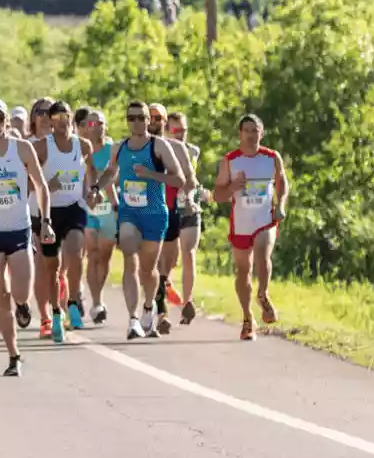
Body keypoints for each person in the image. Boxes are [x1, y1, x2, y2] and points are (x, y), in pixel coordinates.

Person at [94, 100, 196, 340]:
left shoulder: (159, 146)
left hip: (155, 214)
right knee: (129, 256)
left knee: (148, 269)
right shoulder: (119, 148)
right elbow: (110, 171)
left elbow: (179, 180)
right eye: (132, 118)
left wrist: (150, 174)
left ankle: (149, 306)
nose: (137, 122)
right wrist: (96, 188)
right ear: (127, 121)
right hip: (129, 212)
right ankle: (132, 319)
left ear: (148, 121)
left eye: (141, 118)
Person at [0, 99, 50, 377]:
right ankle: (14, 355)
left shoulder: (22, 149)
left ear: (6, 120)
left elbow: (41, 186)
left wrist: (46, 221)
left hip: (18, 228)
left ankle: (23, 305)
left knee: (20, 292)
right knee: (0, 297)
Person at [212, 114, 289, 340]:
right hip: (241, 223)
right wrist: (233, 186)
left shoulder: (271, 157)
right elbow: (218, 195)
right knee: (243, 270)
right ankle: (247, 318)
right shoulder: (230, 160)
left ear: (261, 133)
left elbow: (282, 182)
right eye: (246, 130)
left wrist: (281, 204)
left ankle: (263, 294)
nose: (250, 135)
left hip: (265, 218)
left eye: (255, 130)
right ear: (240, 134)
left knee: (262, 252)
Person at [34, 100, 90, 340]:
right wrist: (48, 186)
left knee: (76, 251)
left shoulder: (83, 145)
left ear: (71, 117)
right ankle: (56, 313)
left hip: (74, 208)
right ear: (50, 121)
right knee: (52, 267)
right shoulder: (41, 147)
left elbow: (91, 172)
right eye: (56, 118)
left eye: (65, 117)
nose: (61, 122)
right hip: (49, 213)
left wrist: (92, 191)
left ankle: (74, 302)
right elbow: (28, 182)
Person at [158, 109, 205, 330]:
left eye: (184, 130)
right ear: (167, 130)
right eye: (176, 130)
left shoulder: (193, 151)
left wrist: (196, 194)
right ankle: (162, 297)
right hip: (167, 208)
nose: (181, 134)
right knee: (168, 260)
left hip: (189, 208)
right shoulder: (159, 149)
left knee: (189, 253)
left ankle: (188, 302)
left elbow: (192, 179)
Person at [76, 107, 117, 326]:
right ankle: (97, 302)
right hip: (88, 208)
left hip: (108, 207)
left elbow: (116, 177)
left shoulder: (113, 150)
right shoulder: (81, 149)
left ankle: (98, 296)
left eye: (100, 123)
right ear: (85, 127)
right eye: (91, 123)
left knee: (104, 254)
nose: (96, 127)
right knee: (92, 254)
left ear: (105, 126)